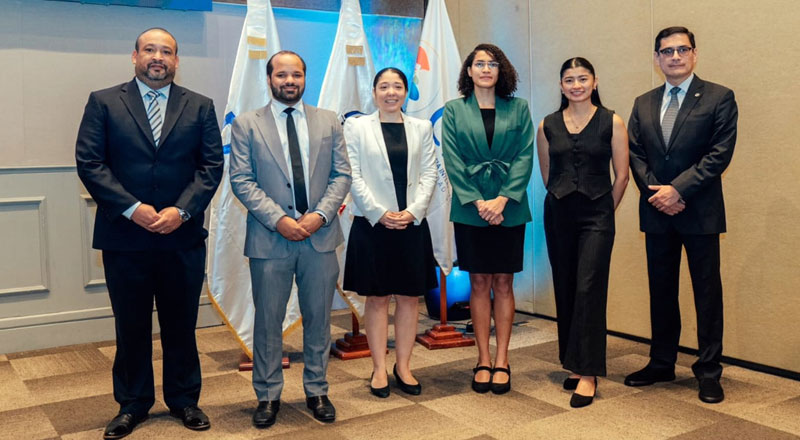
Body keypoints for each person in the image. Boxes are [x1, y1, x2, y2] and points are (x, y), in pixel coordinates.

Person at [75, 28, 223, 439]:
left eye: (167, 51)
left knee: (182, 324)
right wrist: (133, 208)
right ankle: (132, 404)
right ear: (135, 56)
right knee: (131, 326)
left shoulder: (200, 106)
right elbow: (90, 162)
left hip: (182, 237)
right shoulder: (104, 101)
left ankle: (184, 400)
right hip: (125, 238)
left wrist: (182, 210)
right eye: (150, 50)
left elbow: (211, 167)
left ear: (176, 60)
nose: (158, 57)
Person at [229, 50, 351, 428]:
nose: (289, 81)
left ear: (304, 78)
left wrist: (319, 215)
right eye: (281, 75)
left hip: (320, 237)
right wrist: (279, 219)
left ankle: (317, 389)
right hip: (270, 239)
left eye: (296, 74)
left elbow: (342, 175)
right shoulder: (247, 124)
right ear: (269, 79)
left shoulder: (329, 121)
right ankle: (267, 395)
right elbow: (241, 180)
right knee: (268, 321)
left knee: (319, 319)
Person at [624, 26, 738, 404]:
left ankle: (709, 371)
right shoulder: (643, 102)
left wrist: (678, 190)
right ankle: (661, 362)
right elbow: (635, 154)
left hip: (700, 211)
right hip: (657, 212)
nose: (675, 57)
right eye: (667, 51)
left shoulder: (719, 97)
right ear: (657, 58)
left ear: (694, 54)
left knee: (707, 293)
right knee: (661, 290)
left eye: (682, 49)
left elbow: (719, 154)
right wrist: (658, 194)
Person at [536, 57, 629, 408]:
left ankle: (589, 373)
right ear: (561, 85)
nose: (576, 85)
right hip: (559, 213)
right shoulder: (547, 125)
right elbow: (547, 174)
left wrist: (605, 209)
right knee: (567, 286)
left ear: (595, 81)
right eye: (569, 80)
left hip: (597, 216)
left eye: (582, 78)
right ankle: (573, 363)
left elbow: (622, 175)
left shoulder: (612, 121)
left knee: (589, 287)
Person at [442, 43, 534, 395]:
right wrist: (480, 203)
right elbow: (452, 159)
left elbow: (525, 155)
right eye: (479, 63)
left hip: (509, 205)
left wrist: (502, 199)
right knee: (479, 282)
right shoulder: (454, 110)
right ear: (469, 70)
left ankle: (503, 359)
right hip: (471, 207)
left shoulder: (518, 108)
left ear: (501, 70)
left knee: (504, 283)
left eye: (492, 64)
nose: (485, 69)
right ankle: (482, 358)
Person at [342, 68, 438, 398]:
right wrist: (379, 213)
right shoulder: (357, 127)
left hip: (411, 224)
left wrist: (412, 212)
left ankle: (404, 366)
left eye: (397, 86)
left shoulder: (421, 127)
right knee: (378, 297)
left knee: (410, 298)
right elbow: (352, 175)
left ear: (406, 92)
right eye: (384, 86)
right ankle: (379, 368)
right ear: (374, 92)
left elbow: (429, 174)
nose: (391, 92)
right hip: (373, 226)